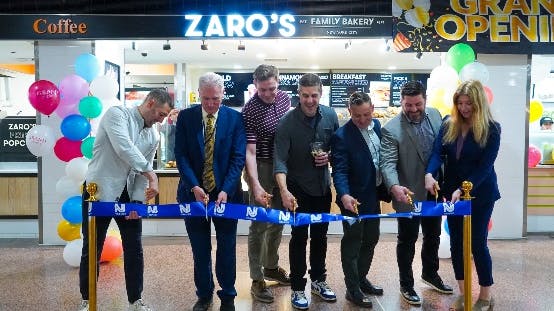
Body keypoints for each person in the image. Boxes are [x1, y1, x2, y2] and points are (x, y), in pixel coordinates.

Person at [78, 89, 173, 311]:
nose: (161, 120)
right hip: (98, 190)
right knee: (91, 248)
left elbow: (140, 173)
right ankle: (86, 300)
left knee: (134, 248)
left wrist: (138, 203)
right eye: (160, 114)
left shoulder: (153, 135)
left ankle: (135, 300)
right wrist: (152, 174)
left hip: (129, 194)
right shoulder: (116, 115)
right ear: (150, 103)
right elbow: (124, 148)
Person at [425, 80, 501, 311]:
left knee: (477, 243)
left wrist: (463, 188)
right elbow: (438, 152)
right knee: (457, 244)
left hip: (480, 193)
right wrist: (430, 174)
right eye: (460, 103)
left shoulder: (491, 128)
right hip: (453, 195)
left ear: (479, 103)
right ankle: (463, 292)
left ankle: (485, 295)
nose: (464, 108)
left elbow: (485, 167)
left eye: (469, 103)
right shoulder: (449, 123)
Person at [174, 72, 246, 311]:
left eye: (215, 98)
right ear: (199, 95)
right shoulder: (186, 118)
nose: (211, 104)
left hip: (227, 195)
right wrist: (193, 185)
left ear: (222, 95)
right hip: (192, 194)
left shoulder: (235, 119)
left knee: (227, 246)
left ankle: (227, 295)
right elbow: (181, 155)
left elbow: (238, 158)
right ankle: (204, 294)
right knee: (200, 248)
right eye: (206, 99)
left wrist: (226, 189)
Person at [380, 80, 453, 306]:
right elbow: (388, 164)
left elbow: (441, 150)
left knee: (433, 236)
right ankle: (406, 284)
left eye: (417, 104)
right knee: (407, 240)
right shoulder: (391, 129)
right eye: (408, 105)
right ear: (401, 102)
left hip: (433, 191)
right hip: (407, 193)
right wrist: (394, 186)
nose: (413, 109)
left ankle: (430, 274)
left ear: (425, 100)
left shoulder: (435, 114)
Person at [274, 73, 339, 310]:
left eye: (314, 95)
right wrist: (284, 190)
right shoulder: (287, 122)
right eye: (305, 96)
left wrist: (329, 157)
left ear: (321, 94)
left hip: (323, 188)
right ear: (298, 95)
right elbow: (279, 161)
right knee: (299, 238)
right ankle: (298, 287)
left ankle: (319, 281)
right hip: (297, 190)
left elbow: (338, 149)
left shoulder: (331, 116)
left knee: (321, 237)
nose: (310, 100)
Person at [330, 91, 387, 309]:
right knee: (353, 242)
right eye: (356, 116)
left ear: (372, 108)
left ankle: (361, 278)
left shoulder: (378, 128)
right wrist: (344, 194)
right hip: (352, 200)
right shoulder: (341, 136)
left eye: (365, 114)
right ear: (349, 113)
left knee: (371, 238)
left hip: (373, 196)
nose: (362, 120)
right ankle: (352, 288)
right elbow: (340, 171)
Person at [241, 64, 291, 303]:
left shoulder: (285, 98)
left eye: (271, 88)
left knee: (279, 220)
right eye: (262, 90)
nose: (268, 94)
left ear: (278, 82)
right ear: (255, 85)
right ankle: (256, 277)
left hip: (283, 167)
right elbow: (249, 152)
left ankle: (271, 266)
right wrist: (256, 184)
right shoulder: (249, 110)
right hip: (260, 166)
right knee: (259, 224)